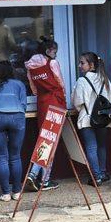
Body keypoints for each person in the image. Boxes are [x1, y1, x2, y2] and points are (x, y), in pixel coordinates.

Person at [0, 61, 27, 201]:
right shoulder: (19, 84)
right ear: (11, 71)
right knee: (15, 156)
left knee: (2, 156)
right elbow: (24, 105)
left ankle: (6, 193)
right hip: (17, 116)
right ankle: (17, 192)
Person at [25, 39, 65, 191]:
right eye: (55, 51)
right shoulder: (52, 63)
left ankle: (39, 176)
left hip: (42, 103)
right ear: (48, 51)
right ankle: (40, 177)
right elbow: (60, 83)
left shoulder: (30, 67)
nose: (56, 54)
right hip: (55, 102)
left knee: (45, 140)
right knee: (50, 142)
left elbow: (34, 89)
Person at [73, 52, 111, 186]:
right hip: (103, 118)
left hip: (87, 118)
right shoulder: (105, 79)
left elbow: (77, 102)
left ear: (91, 65)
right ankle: (102, 173)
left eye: (82, 63)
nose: (79, 65)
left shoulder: (82, 81)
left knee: (91, 147)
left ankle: (96, 177)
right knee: (101, 146)